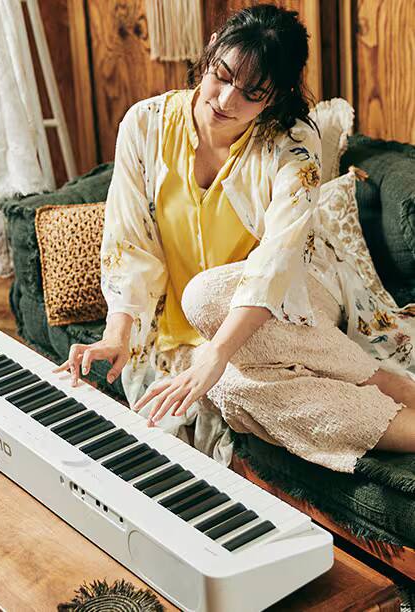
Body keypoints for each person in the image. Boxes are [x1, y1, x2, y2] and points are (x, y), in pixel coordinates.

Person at [58, 4, 414, 473]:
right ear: (210, 52)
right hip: (190, 334)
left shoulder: (293, 142)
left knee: (204, 296)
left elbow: (277, 261)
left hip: (297, 300)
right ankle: (399, 408)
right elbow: (128, 241)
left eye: (252, 93)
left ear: (276, 96)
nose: (226, 99)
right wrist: (116, 335)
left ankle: (379, 380)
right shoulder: (144, 124)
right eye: (221, 75)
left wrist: (218, 353)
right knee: (229, 386)